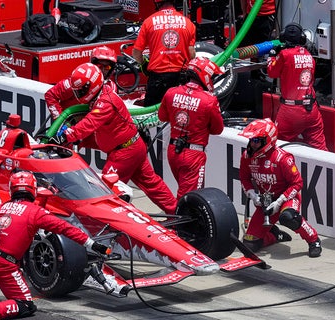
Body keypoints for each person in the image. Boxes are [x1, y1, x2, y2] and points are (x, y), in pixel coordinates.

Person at [0, 171, 110, 320]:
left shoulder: (2, 207)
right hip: (4, 262)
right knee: (26, 305)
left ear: (12, 189)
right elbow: (65, 228)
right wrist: (91, 244)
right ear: (33, 189)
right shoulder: (36, 213)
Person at [58, 63, 178, 215]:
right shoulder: (104, 92)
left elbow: (90, 123)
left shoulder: (105, 102)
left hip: (124, 153)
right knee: (152, 185)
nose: (79, 94)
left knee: (104, 193)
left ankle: (121, 223)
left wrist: (68, 135)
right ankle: (176, 210)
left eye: (81, 90)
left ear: (92, 85)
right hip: (132, 147)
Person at [239, 118, 322, 258]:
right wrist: (253, 194)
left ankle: (314, 240)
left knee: (289, 217)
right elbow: (244, 178)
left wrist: (279, 202)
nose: (252, 145)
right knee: (249, 245)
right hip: (266, 200)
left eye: (256, 141)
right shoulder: (247, 156)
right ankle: (274, 234)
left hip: (287, 198)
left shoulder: (283, 159)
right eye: (252, 141)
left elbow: (297, 183)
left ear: (267, 141)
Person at [158, 57, 225, 199]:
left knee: (185, 193)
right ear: (204, 75)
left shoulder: (171, 92)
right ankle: (181, 220)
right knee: (190, 197)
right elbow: (218, 129)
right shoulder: (209, 100)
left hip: (173, 151)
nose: (212, 80)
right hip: (193, 155)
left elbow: (162, 117)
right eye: (212, 76)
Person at [266, 23, 328, 151]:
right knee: (320, 149)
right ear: (302, 39)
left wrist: (272, 56)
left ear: (283, 37)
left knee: (276, 147)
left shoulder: (284, 55)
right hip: (311, 109)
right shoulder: (309, 55)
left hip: (291, 110)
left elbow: (272, 72)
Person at [131, 0, 196, 108]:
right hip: (181, 77)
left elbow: (136, 52)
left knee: (151, 116)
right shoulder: (188, 23)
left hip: (157, 78)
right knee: (180, 112)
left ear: (157, 3)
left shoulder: (149, 22)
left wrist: (143, 63)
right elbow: (191, 54)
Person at [44, 45, 117, 121]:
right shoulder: (78, 81)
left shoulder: (112, 87)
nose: (103, 70)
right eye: (99, 65)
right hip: (69, 124)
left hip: (91, 126)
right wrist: (60, 120)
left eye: (107, 67)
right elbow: (50, 95)